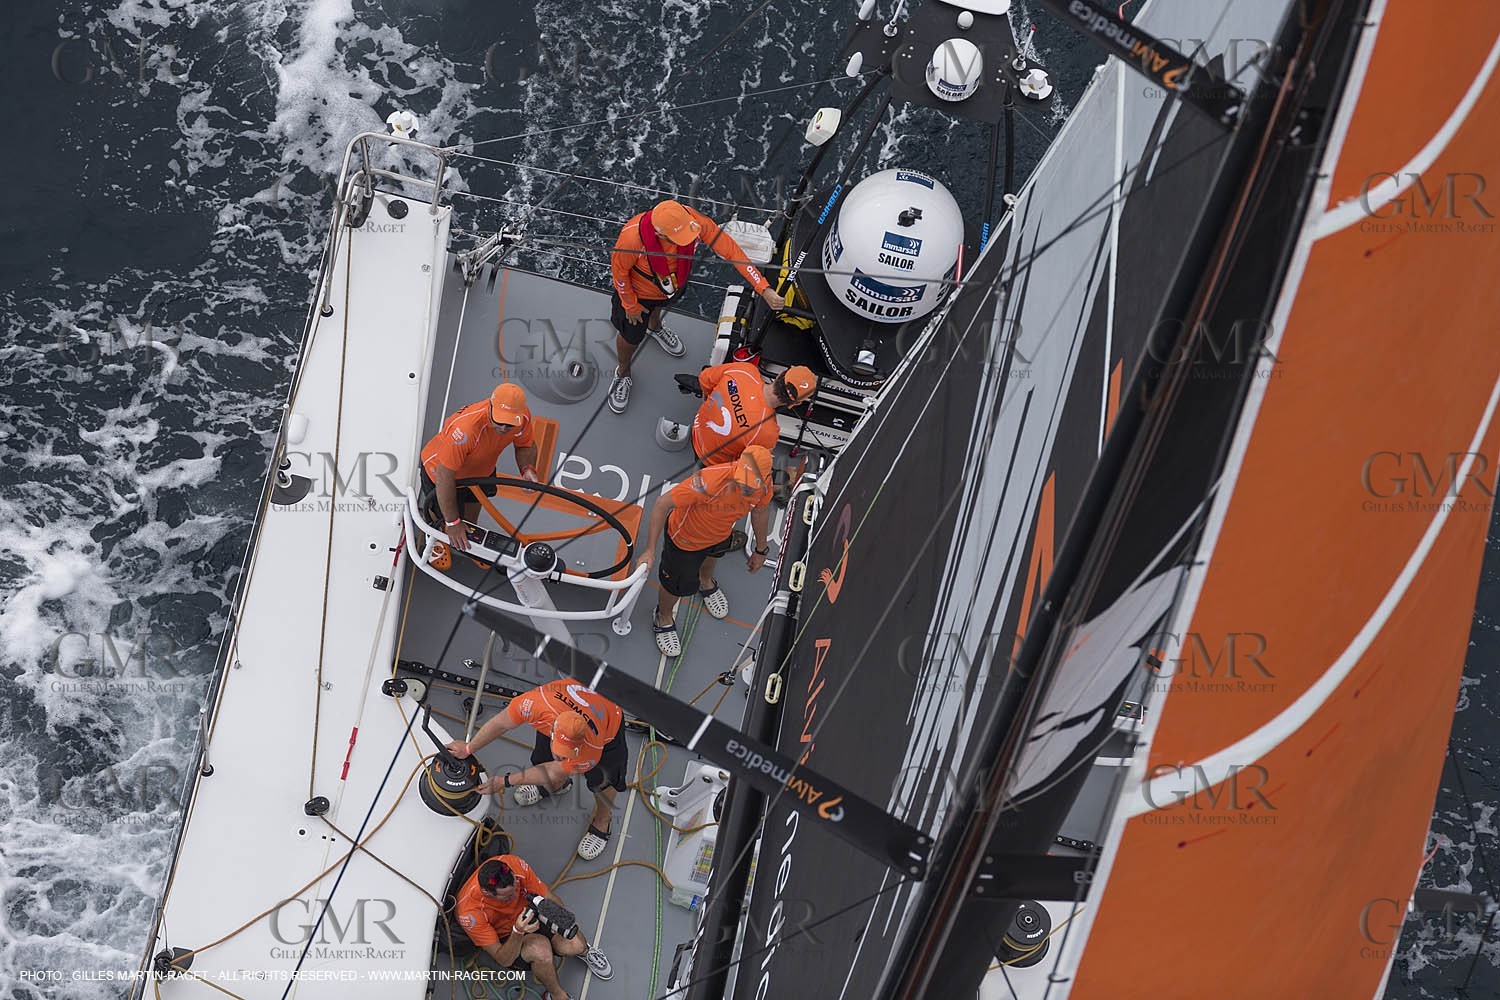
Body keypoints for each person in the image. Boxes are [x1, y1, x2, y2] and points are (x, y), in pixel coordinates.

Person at [607, 198, 787, 414]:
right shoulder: (631, 238)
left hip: (671, 285)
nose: (689, 239)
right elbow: (619, 273)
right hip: (638, 296)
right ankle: (623, 373)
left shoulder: (693, 221)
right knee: (630, 337)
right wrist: (630, 305)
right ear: (661, 234)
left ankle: (654, 328)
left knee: (659, 308)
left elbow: (731, 250)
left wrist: (763, 288)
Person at [448, 678, 628, 861]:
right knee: (543, 758)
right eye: (561, 752)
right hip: (564, 701)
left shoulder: (591, 750)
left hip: (608, 720)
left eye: (568, 754)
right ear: (552, 730)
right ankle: (556, 787)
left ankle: (603, 819)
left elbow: (553, 770)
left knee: (603, 781)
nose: (563, 758)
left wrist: (504, 781)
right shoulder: (532, 705)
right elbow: (500, 723)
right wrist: (469, 748)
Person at [638, 445, 774, 656]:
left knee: (712, 557)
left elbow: (761, 512)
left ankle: (705, 581)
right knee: (673, 585)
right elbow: (663, 503)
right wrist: (649, 550)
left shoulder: (765, 485)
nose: (744, 488)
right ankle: (663, 617)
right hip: (684, 541)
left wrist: (761, 549)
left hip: (719, 536)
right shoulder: (709, 480)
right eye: (742, 480)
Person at [454, 855, 612, 998]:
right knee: (540, 950)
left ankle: (586, 951)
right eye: (508, 896)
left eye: (516, 887)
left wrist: (562, 917)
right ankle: (557, 995)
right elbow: (503, 959)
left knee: (576, 945)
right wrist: (518, 931)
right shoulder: (469, 912)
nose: (516, 895)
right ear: (488, 893)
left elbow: (548, 896)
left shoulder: (514, 865)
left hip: (533, 912)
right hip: (509, 937)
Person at [419, 383, 540, 559]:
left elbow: (525, 445)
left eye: (509, 424)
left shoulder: (523, 418)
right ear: (490, 406)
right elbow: (444, 477)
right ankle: (436, 539)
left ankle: (472, 542)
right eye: (499, 420)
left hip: (481, 472)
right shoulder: (466, 429)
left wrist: (527, 469)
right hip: (441, 473)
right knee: (440, 518)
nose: (504, 428)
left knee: (472, 514)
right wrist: (452, 523)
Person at [691, 362, 817, 467]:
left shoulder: (744, 370)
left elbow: (704, 379)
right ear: (795, 403)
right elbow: (748, 466)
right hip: (710, 462)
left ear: (779, 375)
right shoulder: (768, 433)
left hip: (696, 428)